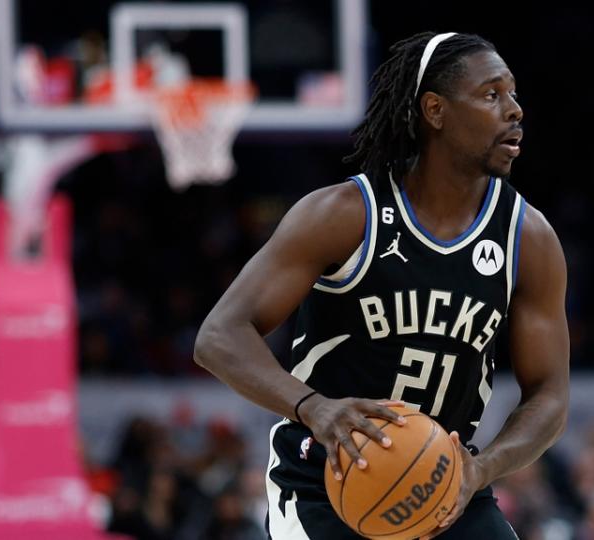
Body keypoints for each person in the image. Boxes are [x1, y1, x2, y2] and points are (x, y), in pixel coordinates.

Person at [194, 31, 569, 539]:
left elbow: (549, 394)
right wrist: (313, 407)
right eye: (491, 94)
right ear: (434, 110)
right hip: (325, 481)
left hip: (444, 484)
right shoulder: (345, 215)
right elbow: (219, 335)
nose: (515, 109)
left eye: (513, 93)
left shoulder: (529, 238)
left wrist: (483, 467)